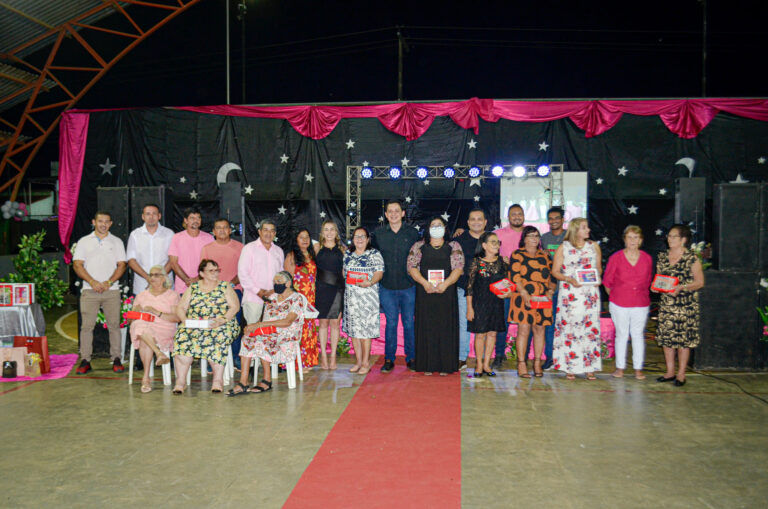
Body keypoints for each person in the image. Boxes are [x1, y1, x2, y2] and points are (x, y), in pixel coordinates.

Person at [232, 271, 306, 394]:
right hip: (268, 331)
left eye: (279, 282)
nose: (276, 285)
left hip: (286, 333)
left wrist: (260, 325)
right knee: (247, 338)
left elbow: (287, 322)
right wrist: (252, 327)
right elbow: (265, 318)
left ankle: (267, 380)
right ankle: (243, 382)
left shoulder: (296, 298)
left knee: (262, 340)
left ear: (288, 284)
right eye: (274, 282)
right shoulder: (272, 298)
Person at [172, 259, 240, 394]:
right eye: (211, 270)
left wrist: (222, 320)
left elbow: (235, 307)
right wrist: (185, 321)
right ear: (202, 273)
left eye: (217, 270)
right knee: (182, 336)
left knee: (218, 336)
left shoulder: (225, 286)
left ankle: (217, 380)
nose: (215, 273)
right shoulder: (193, 287)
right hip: (196, 323)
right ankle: (181, 381)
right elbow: (181, 307)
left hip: (221, 323)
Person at [407, 216, 465, 375]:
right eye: (433, 225)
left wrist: (445, 284)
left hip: (446, 294)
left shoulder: (453, 246)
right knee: (426, 327)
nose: (436, 227)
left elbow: (458, 268)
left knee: (445, 327)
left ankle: (445, 365)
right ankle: (427, 364)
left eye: (440, 225)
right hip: (425, 293)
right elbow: (412, 267)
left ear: (445, 228)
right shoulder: (419, 246)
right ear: (428, 228)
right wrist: (425, 284)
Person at [72, 210, 127, 374]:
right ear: (93, 222)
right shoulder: (83, 241)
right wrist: (92, 282)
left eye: (107, 221)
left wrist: (109, 282)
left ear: (110, 224)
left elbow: (122, 265)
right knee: (87, 327)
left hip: (112, 291)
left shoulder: (117, 242)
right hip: (90, 291)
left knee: (114, 326)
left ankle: (116, 358)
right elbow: (77, 265)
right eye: (100, 221)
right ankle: (85, 360)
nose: (103, 224)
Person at [551, 218, 602, 380]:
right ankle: (569, 366)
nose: (588, 230)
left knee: (589, 329)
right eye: (584, 228)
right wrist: (569, 279)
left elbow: (598, 268)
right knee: (570, 329)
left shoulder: (594, 246)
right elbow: (555, 271)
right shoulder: (564, 248)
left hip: (589, 295)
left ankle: (590, 366)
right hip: (570, 295)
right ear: (575, 230)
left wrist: (597, 278)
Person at [654, 224, 704, 387]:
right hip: (667, 304)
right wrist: (655, 286)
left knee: (683, 342)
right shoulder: (662, 256)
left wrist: (682, 287)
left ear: (683, 239)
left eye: (673, 236)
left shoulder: (691, 258)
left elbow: (700, 282)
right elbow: (660, 278)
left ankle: (681, 374)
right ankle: (669, 372)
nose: (669, 239)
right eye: (668, 236)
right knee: (667, 340)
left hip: (686, 306)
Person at [372, 199, 419, 373]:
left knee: (408, 323)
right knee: (391, 323)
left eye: (396, 211)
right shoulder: (378, 234)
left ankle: (411, 357)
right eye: (390, 211)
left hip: (409, 286)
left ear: (403, 213)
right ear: (385, 215)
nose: (393, 214)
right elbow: (372, 258)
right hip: (386, 286)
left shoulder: (413, 233)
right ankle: (389, 359)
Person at [602, 226, 654, 380]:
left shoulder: (647, 258)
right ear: (624, 239)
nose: (633, 241)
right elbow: (607, 282)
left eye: (636, 237)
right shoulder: (615, 258)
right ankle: (620, 368)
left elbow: (648, 280)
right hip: (619, 303)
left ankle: (638, 369)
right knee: (621, 335)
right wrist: (616, 298)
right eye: (629, 237)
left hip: (641, 303)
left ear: (641, 240)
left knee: (638, 334)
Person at [509, 226, 556, 378]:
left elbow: (552, 277)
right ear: (524, 238)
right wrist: (523, 292)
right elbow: (514, 276)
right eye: (530, 236)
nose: (534, 238)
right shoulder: (517, 254)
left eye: (536, 235)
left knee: (540, 329)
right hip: (523, 297)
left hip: (542, 298)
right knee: (523, 329)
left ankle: (536, 362)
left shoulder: (545, 255)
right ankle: (521, 363)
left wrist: (550, 291)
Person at [238, 220, 285, 370]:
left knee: (270, 332)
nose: (268, 233)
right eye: (265, 230)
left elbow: (282, 274)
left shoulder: (278, 251)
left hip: (273, 299)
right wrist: (259, 291)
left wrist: (275, 290)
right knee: (252, 331)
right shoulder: (249, 249)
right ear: (259, 231)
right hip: (253, 297)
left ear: (275, 234)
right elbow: (243, 274)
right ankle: (251, 366)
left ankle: (271, 363)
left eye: (272, 230)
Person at [128, 265, 181, 393]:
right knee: (140, 326)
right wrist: (135, 311)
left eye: (156, 275)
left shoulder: (172, 295)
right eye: (151, 275)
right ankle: (158, 354)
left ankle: (146, 378)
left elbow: (177, 318)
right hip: (144, 328)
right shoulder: (141, 295)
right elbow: (130, 321)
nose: (152, 278)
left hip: (164, 327)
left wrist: (156, 312)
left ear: (164, 278)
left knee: (143, 336)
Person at [466, 232, 511, 378]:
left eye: (497, 242)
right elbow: (469, 288)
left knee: (492, 334)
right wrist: (469, 308)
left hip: (496, 304)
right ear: (484, 245)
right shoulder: (476, 263)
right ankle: (479, 365)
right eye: (492, 242)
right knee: (480, 335)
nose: (496, 244)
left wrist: (507, 293)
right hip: (480, 304)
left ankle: (487, 364)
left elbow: (508, 284)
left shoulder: (503, 262)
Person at [201, 218, 244, 367]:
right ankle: (211, 361)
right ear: (213, 231)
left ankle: (236, 359)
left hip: (234, 291)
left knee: (234, 325)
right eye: (218, 228)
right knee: (212, 325)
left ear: (230, 230)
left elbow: (243, 271)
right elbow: (204, 271)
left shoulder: (239, 247)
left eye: (225, 227)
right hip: (212, 293)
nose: (222, 230)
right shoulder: (207, 248)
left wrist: (231, 284)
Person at [343, 227, 385, 375]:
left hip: (368, 298)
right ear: (352, 239)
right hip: (351, 299)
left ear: (367, 239)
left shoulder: (374, 254)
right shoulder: (348, 254)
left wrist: (370, 282)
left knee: (365, 332)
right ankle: (358, 361)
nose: (359, 239)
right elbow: (344, 273)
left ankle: (366, 363)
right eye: (356, 236)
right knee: (354, 331)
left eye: (362, 236)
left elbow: (379, 273)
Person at [492, 203, 526, 369]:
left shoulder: (530, 234)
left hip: (526, 286)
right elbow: (487, 254)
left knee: (525, 322)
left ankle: (524, 356)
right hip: (505, 285)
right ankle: (499, 355)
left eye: (519, 214)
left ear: (524, 216)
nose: (517, 217)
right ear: (508, 217)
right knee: (502, 322)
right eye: (513, 214)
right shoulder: (498, 234)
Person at [454, 208, 489, 371]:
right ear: (468, 223)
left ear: (485, 222)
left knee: (485, 325)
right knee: (464, 324)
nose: (476, 222)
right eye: (473, 219)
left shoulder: (491, 239)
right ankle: (462, 357)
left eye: (479, 219)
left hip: (486, 290)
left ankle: (485, 358)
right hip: (464, 289)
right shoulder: (459, 240)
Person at [284, 228, 318, 372]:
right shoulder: (292, 256)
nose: (305, 240)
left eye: (307, 237)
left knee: (308, 329)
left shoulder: (312, 255)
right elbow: (287, 280)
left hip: (310, 298)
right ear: (296, 240)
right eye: (301, 237)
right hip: (297, 297)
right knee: (298, 329)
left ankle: (307, 361)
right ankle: (297, 363)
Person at [314, 220, 345, 370]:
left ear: (336, 232)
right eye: (326, 229)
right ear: (322, 232)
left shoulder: (342, 249)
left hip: (337, 290)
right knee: (323, 324)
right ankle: (323, 357)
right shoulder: (316, 248)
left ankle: (333, 356)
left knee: (334, 323)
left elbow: (345, 272)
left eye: (332, 229)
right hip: (321, 290)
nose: (329, 232)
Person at [538, 206, 567, 369]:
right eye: (551, 218)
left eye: (557, 218)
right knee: (550, 324)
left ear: (563, 220)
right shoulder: (544, 238)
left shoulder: (570, 237)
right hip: (551, 289)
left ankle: (566, 356)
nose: (554, 221)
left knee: (567, 323)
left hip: (569, 289)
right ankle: (550, 357)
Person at [126, 203, 174, 295]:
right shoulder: (135, 235)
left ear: (159, 216)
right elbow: (131, 260)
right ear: (143, 216)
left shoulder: (169, 234)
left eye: (154, 214)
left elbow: (173, 260)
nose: (151, 216)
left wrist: (159, 277)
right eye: (148, 214)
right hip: (142, 285)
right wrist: (148, 278)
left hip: (164, 284)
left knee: (165, 309)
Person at [168, 207, 214, 294]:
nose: (196, 220)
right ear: (186, 220)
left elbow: (212, 262)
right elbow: (173, 263)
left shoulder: (209, 238)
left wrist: (197, 279)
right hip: (182, 288)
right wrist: (187, 280)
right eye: (192, 218)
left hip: (205, 285)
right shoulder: (177, 237)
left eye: (198, 218)